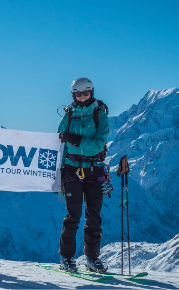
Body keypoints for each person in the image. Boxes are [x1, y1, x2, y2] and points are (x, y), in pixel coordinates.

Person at [57, 77, 109, 273]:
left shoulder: (100, 115)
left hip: (94, 169)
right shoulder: (68, 115)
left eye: (85, 93)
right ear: (73, 95)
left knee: (93, 216)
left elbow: (98, 144)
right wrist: (60, 172)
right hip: (71, 169)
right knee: (73, 215)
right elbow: (59, 146)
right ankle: (67, 258)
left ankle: (92, 258)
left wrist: (74, 140)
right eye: (78, 94)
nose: (82, 97)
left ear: (91, 93)